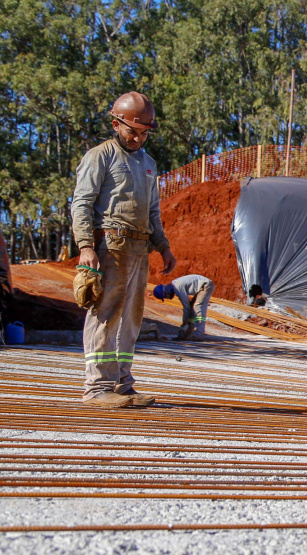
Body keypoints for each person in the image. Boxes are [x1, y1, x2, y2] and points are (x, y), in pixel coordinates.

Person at [71, 91, 176, 409]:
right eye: (133, 130)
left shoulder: (148, 164)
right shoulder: (100, 156)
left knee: (131, 319)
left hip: (140, 249)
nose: (139, 138)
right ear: (116, 123)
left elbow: (153, 210)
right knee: (106, 314)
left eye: (144, 132)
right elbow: (82, 203)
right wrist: (86, 246)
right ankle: (97, 387)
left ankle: (122, 384)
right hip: (110, 246)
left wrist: (164, 246)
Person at [154, 274, 214, 340]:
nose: (168, 298)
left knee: (197, 307)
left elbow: (186, 307)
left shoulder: (177, 288)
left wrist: (184, 325)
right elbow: (188, 307)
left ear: (166, 292)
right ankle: (187, 334)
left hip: (206, 286)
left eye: (165, 297)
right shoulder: (175, 285)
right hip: (203, 286)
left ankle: (199, 335)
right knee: (192, 309)